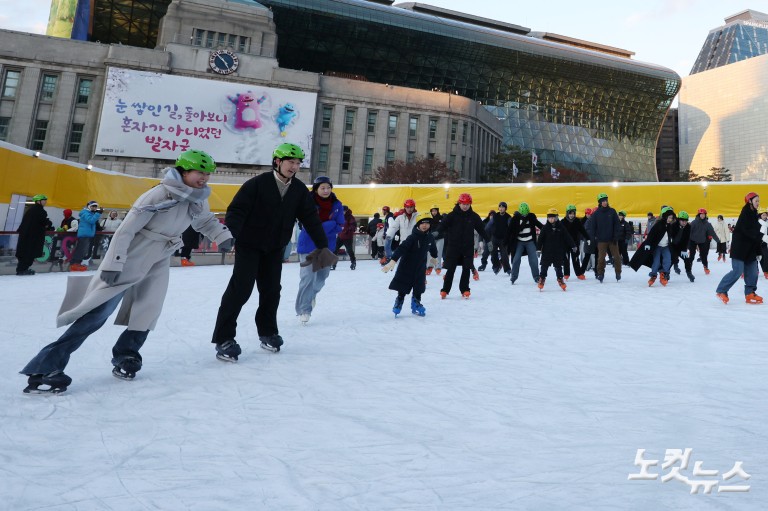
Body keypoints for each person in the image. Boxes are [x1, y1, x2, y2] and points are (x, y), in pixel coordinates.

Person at [20, 149, 233, 394]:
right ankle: (45, 367)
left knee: (148, 309)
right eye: (199, 173)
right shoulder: (157, 195)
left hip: (160, 257)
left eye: (207, 174)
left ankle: (126, 355)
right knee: (97, 312)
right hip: (132, 256)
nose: (204, 178)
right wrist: (113, 263)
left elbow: (204, 221)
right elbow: (125, 231)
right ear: (184, 170)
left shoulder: (197, 198)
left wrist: (222, 236)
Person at [211, 143, 336, 361]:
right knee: (240, 290)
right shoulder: (257, 184)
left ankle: (268, 332)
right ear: (277, 161)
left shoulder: (298, 190)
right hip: (249, 246)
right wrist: (232, 236)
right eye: (291, 162)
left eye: (298, 163)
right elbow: (236, 211)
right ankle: (224, 338)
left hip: (274, 248)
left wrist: (323, 246)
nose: (294, 167)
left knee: (271, 291)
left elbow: (311, 219)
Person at [295, 176, 345, 325]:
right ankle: (304, 310)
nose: (326, 190)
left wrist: (319, 227)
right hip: (308, 245)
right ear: (316, 189)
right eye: (322, 188)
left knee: (322, 277)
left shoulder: (337, 204)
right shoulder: (307, 203)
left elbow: (340, 225)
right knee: (308, 278)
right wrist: (329, 225)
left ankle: (310, 296)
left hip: (327, 246)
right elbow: (306, 225)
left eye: (328, 187)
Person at [382, 212, 438, 316]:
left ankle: (416, 303)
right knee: (403, 286)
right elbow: (401, 248)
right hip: (407, 265)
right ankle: (399, 301)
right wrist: (393, 260)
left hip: (420, 266)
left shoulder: (430, 237)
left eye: (427, 223)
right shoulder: (412, 237)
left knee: (419, 287)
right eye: (422, 223)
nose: (425, 225)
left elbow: (433, 248)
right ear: (418, 224)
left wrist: (434, 257)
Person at [716, 192, 764, 304]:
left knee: (752, 272)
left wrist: (758, 251)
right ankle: (722, 290)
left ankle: (750, 293)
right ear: (750, 201)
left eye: (759, 201)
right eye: (756, 201)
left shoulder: (754, 215)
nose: (758, 203)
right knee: (737, 271)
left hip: (750, 250)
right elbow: (748, 232)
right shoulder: (745, 214)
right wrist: (762, 236)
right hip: (740, 249)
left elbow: (755, 235)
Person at [438, 193, 487, 299]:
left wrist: (489, 240)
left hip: (467, 248)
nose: (465, 206)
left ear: (470, 204)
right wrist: (435, 234)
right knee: (450, 269)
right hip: (453, 247)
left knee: (466, 269)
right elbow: (442, 226)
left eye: (467, 204)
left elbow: (482, 230)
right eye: (463, 204)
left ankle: (465, 289)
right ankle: (445, 290)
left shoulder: (474, 216)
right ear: (459, 203)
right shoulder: (452, 215)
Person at [586, 192, 622, 283]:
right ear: (599, 202)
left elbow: (617, 225)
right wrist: (593, 238)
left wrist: (615, 237)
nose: (605, 202)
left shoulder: (612, 211)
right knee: (601, 258)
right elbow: (592, 227)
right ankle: (600, 274)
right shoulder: (596, 214)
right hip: (601, 240)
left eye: (606, 200)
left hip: (612, 240)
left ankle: (618, 272)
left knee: (617, 257)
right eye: (603, 201)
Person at [536, 209, 576, 291]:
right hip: (547, 252)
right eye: (549, 218)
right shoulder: (545, 228)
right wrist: (538, 249)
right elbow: (540, 239)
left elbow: (567, 237)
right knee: (544, 266)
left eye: (552, 217)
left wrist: (573, 246)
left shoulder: (561, 227)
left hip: (558, 251)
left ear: (556, 217)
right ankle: (542, 279)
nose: (551, 219)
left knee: (558, 267)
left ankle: (560, 280)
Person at [15, 194, 53, 276]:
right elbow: (44, 223)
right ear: (38, 201)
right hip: (33, 237)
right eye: (44, 200)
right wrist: (48, 223)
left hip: (25, 236)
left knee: (24, 252)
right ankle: (23, 269)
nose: (45, 202)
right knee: (29, 253)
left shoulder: (30, 210)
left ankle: (21, 269)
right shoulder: (40, 211)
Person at [508, 202, 543, 285]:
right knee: (516, 259)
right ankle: (513, 277)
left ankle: (536, 277)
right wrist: (506, 243)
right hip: (519, 242)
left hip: (530, 241)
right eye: (523, 213)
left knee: (533, 260)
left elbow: (539, 225)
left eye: (526, 213)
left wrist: (547, 229)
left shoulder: (531, 217)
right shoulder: (515, 218)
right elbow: (509, 231)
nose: (525, 215)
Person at [643, 206, 676, 287]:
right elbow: (651, 234)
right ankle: (653, 275)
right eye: (669, 217)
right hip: (657, 246)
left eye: (671, 218)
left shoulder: (671, 226)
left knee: (668, 260)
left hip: (666, 247)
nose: (670, 219)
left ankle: (664, 275)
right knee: (656, 262)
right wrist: (648, 243)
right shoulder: (658, 224)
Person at [69, 200, 102, 271]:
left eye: (95, 207)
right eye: (93, 206)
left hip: (87, 234)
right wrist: (98, 214)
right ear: (89, 206)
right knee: (81, 249)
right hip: (84, 234)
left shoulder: (90, 213)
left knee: (83, 250)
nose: (94, 208)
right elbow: (91, 220)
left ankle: (76, 263)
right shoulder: (85, 213)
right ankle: (75, 264)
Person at [688, 208, 719, 275]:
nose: (702, 216)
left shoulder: (707, 224)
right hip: (693, 240)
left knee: (704, 255)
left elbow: (712, 233)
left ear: (705, 215)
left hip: (702, 241)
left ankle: (706, 267)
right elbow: (689, 232)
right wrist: (687, 242)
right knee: (692, 255)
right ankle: (689, 268)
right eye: (701, 214)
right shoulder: (694, 222)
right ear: (698, 215)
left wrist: (718, 241)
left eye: (703, 214)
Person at [384, 199, 417, 263]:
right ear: (405, 207)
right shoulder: (400, 218)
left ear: (414, 207)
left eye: (411, 207)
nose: (409, 209)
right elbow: (393, 227)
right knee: (403, 263)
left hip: (415, 243)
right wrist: (389, 235)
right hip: (404, 243)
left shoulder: (418, 216)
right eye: (407, 207)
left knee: (415, 263)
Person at [561, 204, 588, 280]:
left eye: (573, 214)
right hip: (565, 244)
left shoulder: (577, 221)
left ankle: (579, 274)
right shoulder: (562, 222)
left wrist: (588, 238)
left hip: (575, 244)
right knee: (566, 259)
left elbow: (583, 231)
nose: (572, 215)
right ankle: (566, 274)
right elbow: (559, 232)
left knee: (575, 259)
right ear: (567, 213)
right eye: (570, 213)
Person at [488, 201, 512, 274]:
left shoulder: (508, 217)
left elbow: (511, 228)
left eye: (503, 207)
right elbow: (488, 225)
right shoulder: (495, 216)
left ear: (505, 208)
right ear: (498, 208)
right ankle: (496, 266)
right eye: (500, 207)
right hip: (494, 238)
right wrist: (486, 233)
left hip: (503, 239)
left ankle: (507, 269)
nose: (501, 208)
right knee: (492, 251)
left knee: (504, 255)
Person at [670, 211, 693, 282]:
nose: (684, 222)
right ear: (679, 220)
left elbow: (687, 239)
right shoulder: (673, 225)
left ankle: (689, 273)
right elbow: (669, 236)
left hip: (681, 247)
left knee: (687, 259)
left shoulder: (688, 227)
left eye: (686, 221)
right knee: (671, 260)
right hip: (673, 246)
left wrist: (684, 249)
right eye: (682, 220)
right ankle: (666, 273)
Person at [333, 205, 357, 270]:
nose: (342, 212)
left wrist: (347, 230)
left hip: (347, 237)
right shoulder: (340, 216)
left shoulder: (350, 217)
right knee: (334, 249)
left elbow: (353, 226)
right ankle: (333, 263)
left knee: (349, 250)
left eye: (343, 211)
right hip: (340, 236)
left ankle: (353, 262)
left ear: (346, 211)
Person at [426, 204, 444, 275]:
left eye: (435, 211)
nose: (434, 212)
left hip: (440, 238)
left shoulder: (441, 218)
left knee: (438, 253)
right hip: (430, 238)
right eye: (432, 211)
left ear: (437, 211)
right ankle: (430, 266)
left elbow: (444, 227)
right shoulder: (428, 219)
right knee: (430, 253)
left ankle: (437, 267)